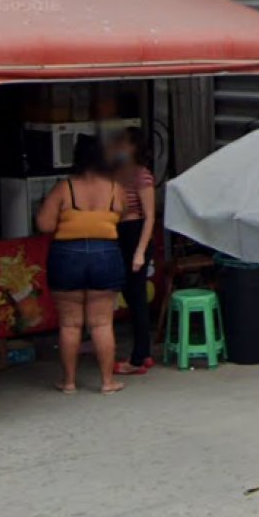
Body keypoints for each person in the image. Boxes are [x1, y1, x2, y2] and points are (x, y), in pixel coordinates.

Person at [36, 135, 127, 395]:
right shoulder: (114, 188)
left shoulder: (64, 188)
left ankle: (69, 382)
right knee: (102, 323)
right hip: (106, 254)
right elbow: (124, 214)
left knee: (70, 323)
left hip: (67, 255)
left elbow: (45, 225)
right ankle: (108, 382)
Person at [108, 128, 156, 376]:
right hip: (120, 232)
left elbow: (149, 217)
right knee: (131, 293)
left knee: (137, 296)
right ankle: (143, 352)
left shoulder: (141, 176)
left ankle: (138, 358)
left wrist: (140, 252)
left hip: (136, 233)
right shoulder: (117, 174)